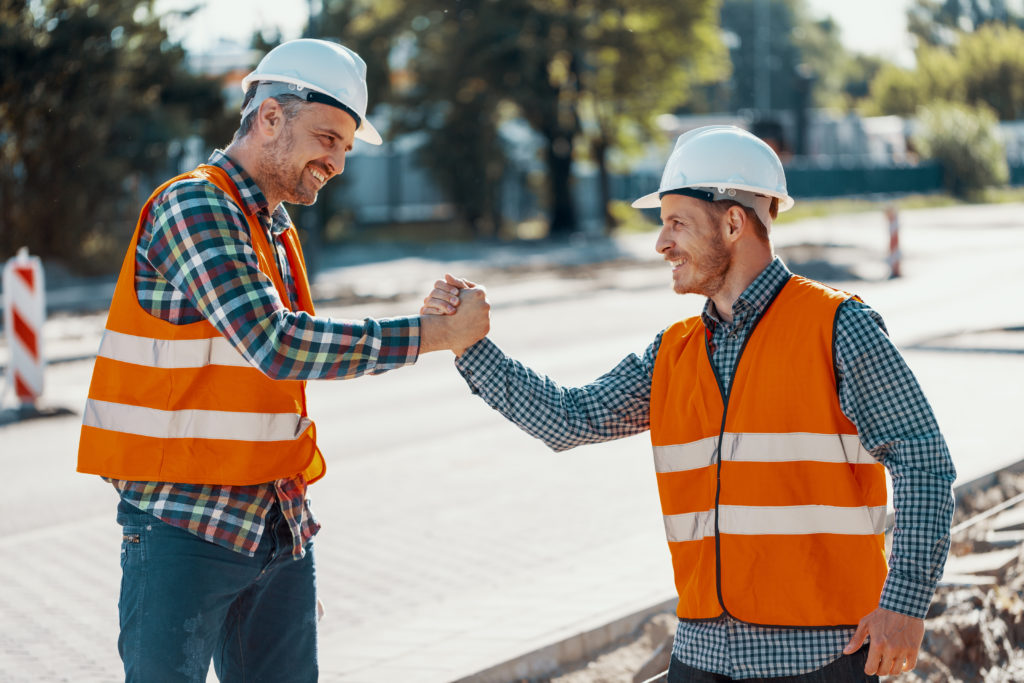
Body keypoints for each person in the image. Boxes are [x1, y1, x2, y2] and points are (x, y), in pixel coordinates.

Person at [423, 125, 956, 681]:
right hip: (703, 655)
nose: (661, 243)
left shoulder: (839, 327)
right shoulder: (673, 352)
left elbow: (922, 458)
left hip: (821, 655)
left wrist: (905, 604)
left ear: (733, 222)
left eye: (677, 223)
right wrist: (470, 345)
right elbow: (570, 418)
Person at [76, 38, 488, 682]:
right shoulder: (195, 204)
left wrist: (280, 553)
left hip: (274, 520)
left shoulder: (270, 223)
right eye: (327, 138)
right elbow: (277, 343)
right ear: (270, 116)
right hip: (183, 522)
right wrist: (430, 334)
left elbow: (283, 366)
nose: (338, 162)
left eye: (346, 147)